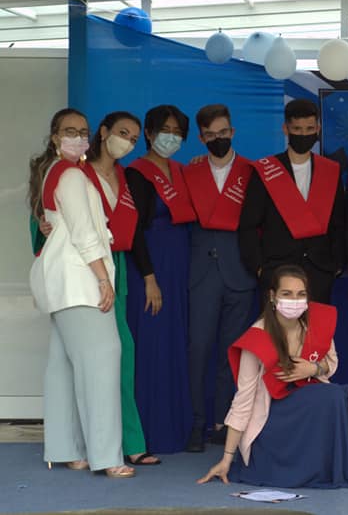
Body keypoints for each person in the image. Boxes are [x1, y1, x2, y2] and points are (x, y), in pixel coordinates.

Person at [197, 265, 348, 488]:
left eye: (301, 294)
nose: (295, 300)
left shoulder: (316, 323)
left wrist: (313, 369)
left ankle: (326, 458)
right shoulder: (258, 336)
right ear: (272, 296)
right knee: (331, 397)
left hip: (315, 399)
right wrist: (227, 458)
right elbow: (243, 400)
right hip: (275, 416)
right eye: (287, 294)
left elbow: (331, 364)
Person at [28, 108, 134, 478]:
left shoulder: (55, 172)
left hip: (62, 282)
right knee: (103, 359)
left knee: (62, 366)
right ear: (55, 137)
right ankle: (107, 456)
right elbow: (85, 233)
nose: (78, 137)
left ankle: (66, 449)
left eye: (83, 131)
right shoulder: (71, 175)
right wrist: (103, 280)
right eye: (69, 131)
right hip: (80, 280)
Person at [82, 111, 159, 467]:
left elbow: (136, 232)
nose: (127, 141)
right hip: (84, 270)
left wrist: (148, 275)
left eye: (133, 138)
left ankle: (131, 441)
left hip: (119, 270)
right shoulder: (78, 173)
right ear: (103, 132)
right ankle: (88, 443)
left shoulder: (129, 178)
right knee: (90, 360)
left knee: (122, 353)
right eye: (122, 133)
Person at [182, 104, 258, 452]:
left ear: (233, 132)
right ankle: (196, 422)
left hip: (239, 273)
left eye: (224, 132)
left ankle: (223, 423)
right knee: (198, 349)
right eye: (211, 135)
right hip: (202, 273)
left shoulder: (252, 171)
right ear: (201, 138)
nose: (219, 139)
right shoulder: (190, 172)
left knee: (233, 354)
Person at [126, 104, 195, 454]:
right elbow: (134, 230)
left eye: (178, 132)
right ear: (149, 134)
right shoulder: (137, 173)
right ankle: (146, 433)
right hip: (150, 269)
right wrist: (149, 277)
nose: (172, 137)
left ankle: (176, 428)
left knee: (175, 345)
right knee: (151, 347)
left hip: (180, 268)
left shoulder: (182, 171)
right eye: (165, 130)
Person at [239, 99, 346, 302]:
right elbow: (248, 225)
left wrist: (336, 265)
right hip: (276, 271)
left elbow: (338, 223)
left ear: (318, 129)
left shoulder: (331, 170)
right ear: (285, 129)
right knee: (276, 324)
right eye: (297, 129)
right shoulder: (265, 171)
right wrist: (260, 268)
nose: (303, 134)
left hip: (320, 271)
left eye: (309, 129)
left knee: (316, 323)